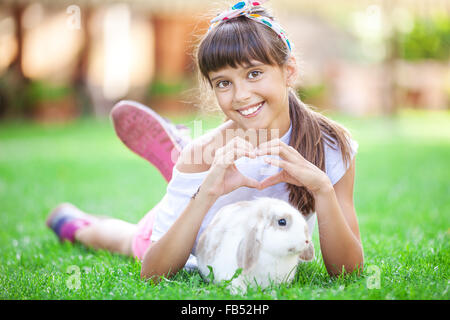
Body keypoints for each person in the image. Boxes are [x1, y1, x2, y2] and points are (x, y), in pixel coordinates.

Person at [47, 0, 363, 281]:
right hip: (186, 233)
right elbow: (153, 272)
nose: (241, 95)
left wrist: (322, 189)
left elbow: (348, 271)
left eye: (254, 73)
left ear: (289, 71)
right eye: (224, 82)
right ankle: (76, 223)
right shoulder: (203, 154)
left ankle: (177, 145)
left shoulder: (332, 145)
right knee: (126, 238)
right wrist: (208, 191)